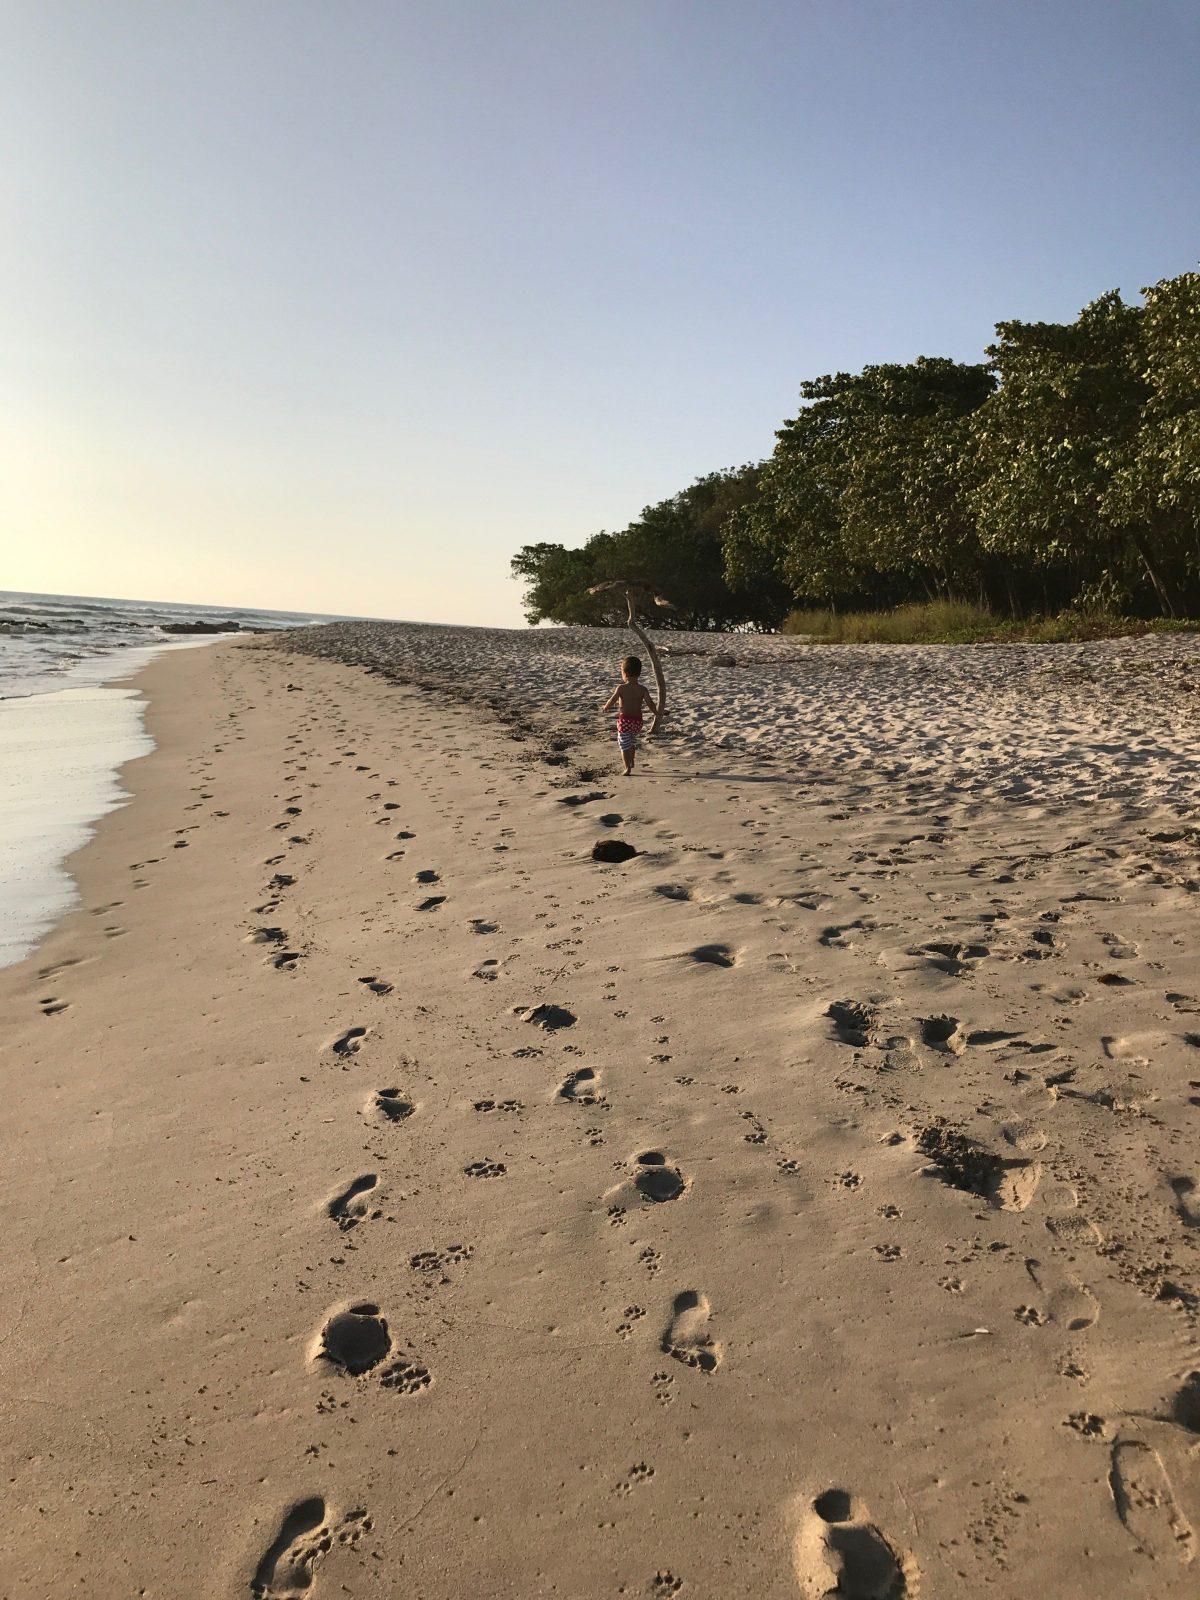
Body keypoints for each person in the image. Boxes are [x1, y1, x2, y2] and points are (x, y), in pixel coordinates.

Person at [602, 655, 657, 776]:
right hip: (637, 723)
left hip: (625, 721)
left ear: (625, 673)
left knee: (623, 745)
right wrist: (657, 713)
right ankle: (631, 761)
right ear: (639, 673)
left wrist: (606, 707)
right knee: (631, 742)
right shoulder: (643, 689)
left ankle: (627, 767)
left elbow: (612, 700)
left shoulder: (621, 688)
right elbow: (650, 704)